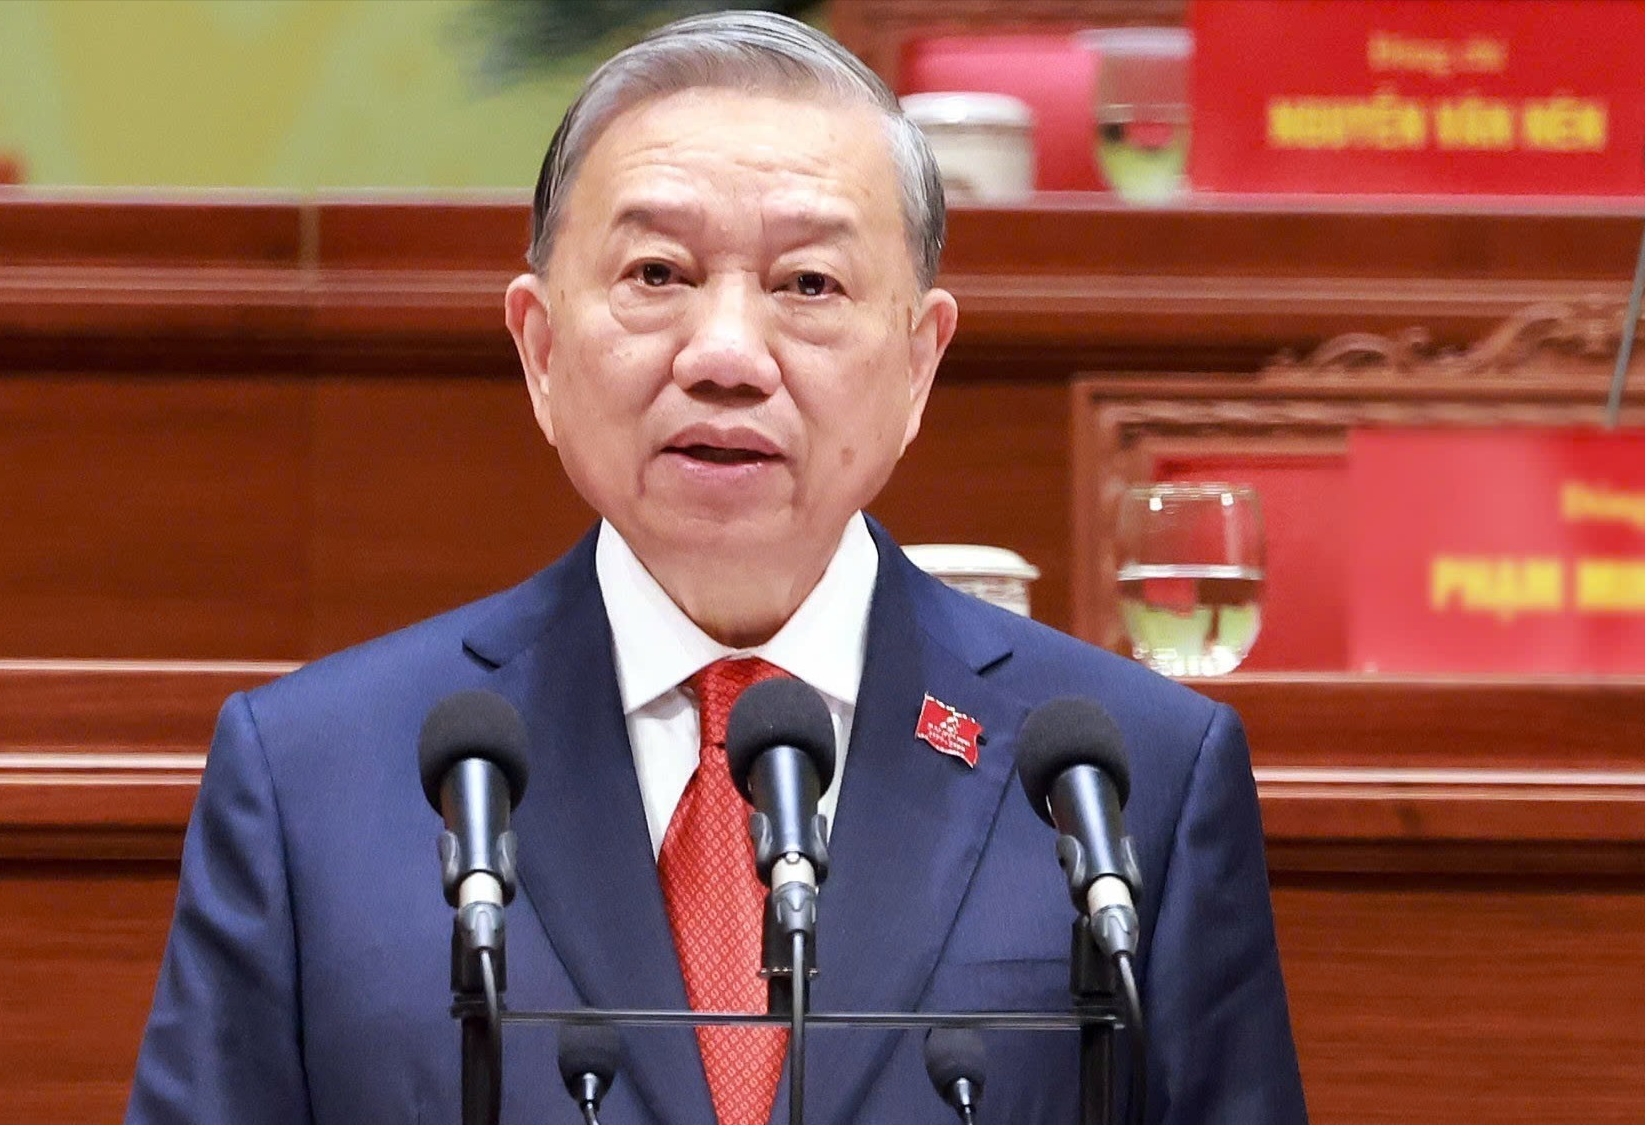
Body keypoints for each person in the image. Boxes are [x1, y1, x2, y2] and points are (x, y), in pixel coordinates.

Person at [125, 11, 1306, 1125]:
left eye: (808, 284)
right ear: (540, 350)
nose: (727, 354)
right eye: (656, 275)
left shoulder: (1133, 777)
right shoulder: (312, 779)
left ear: (917, 365)